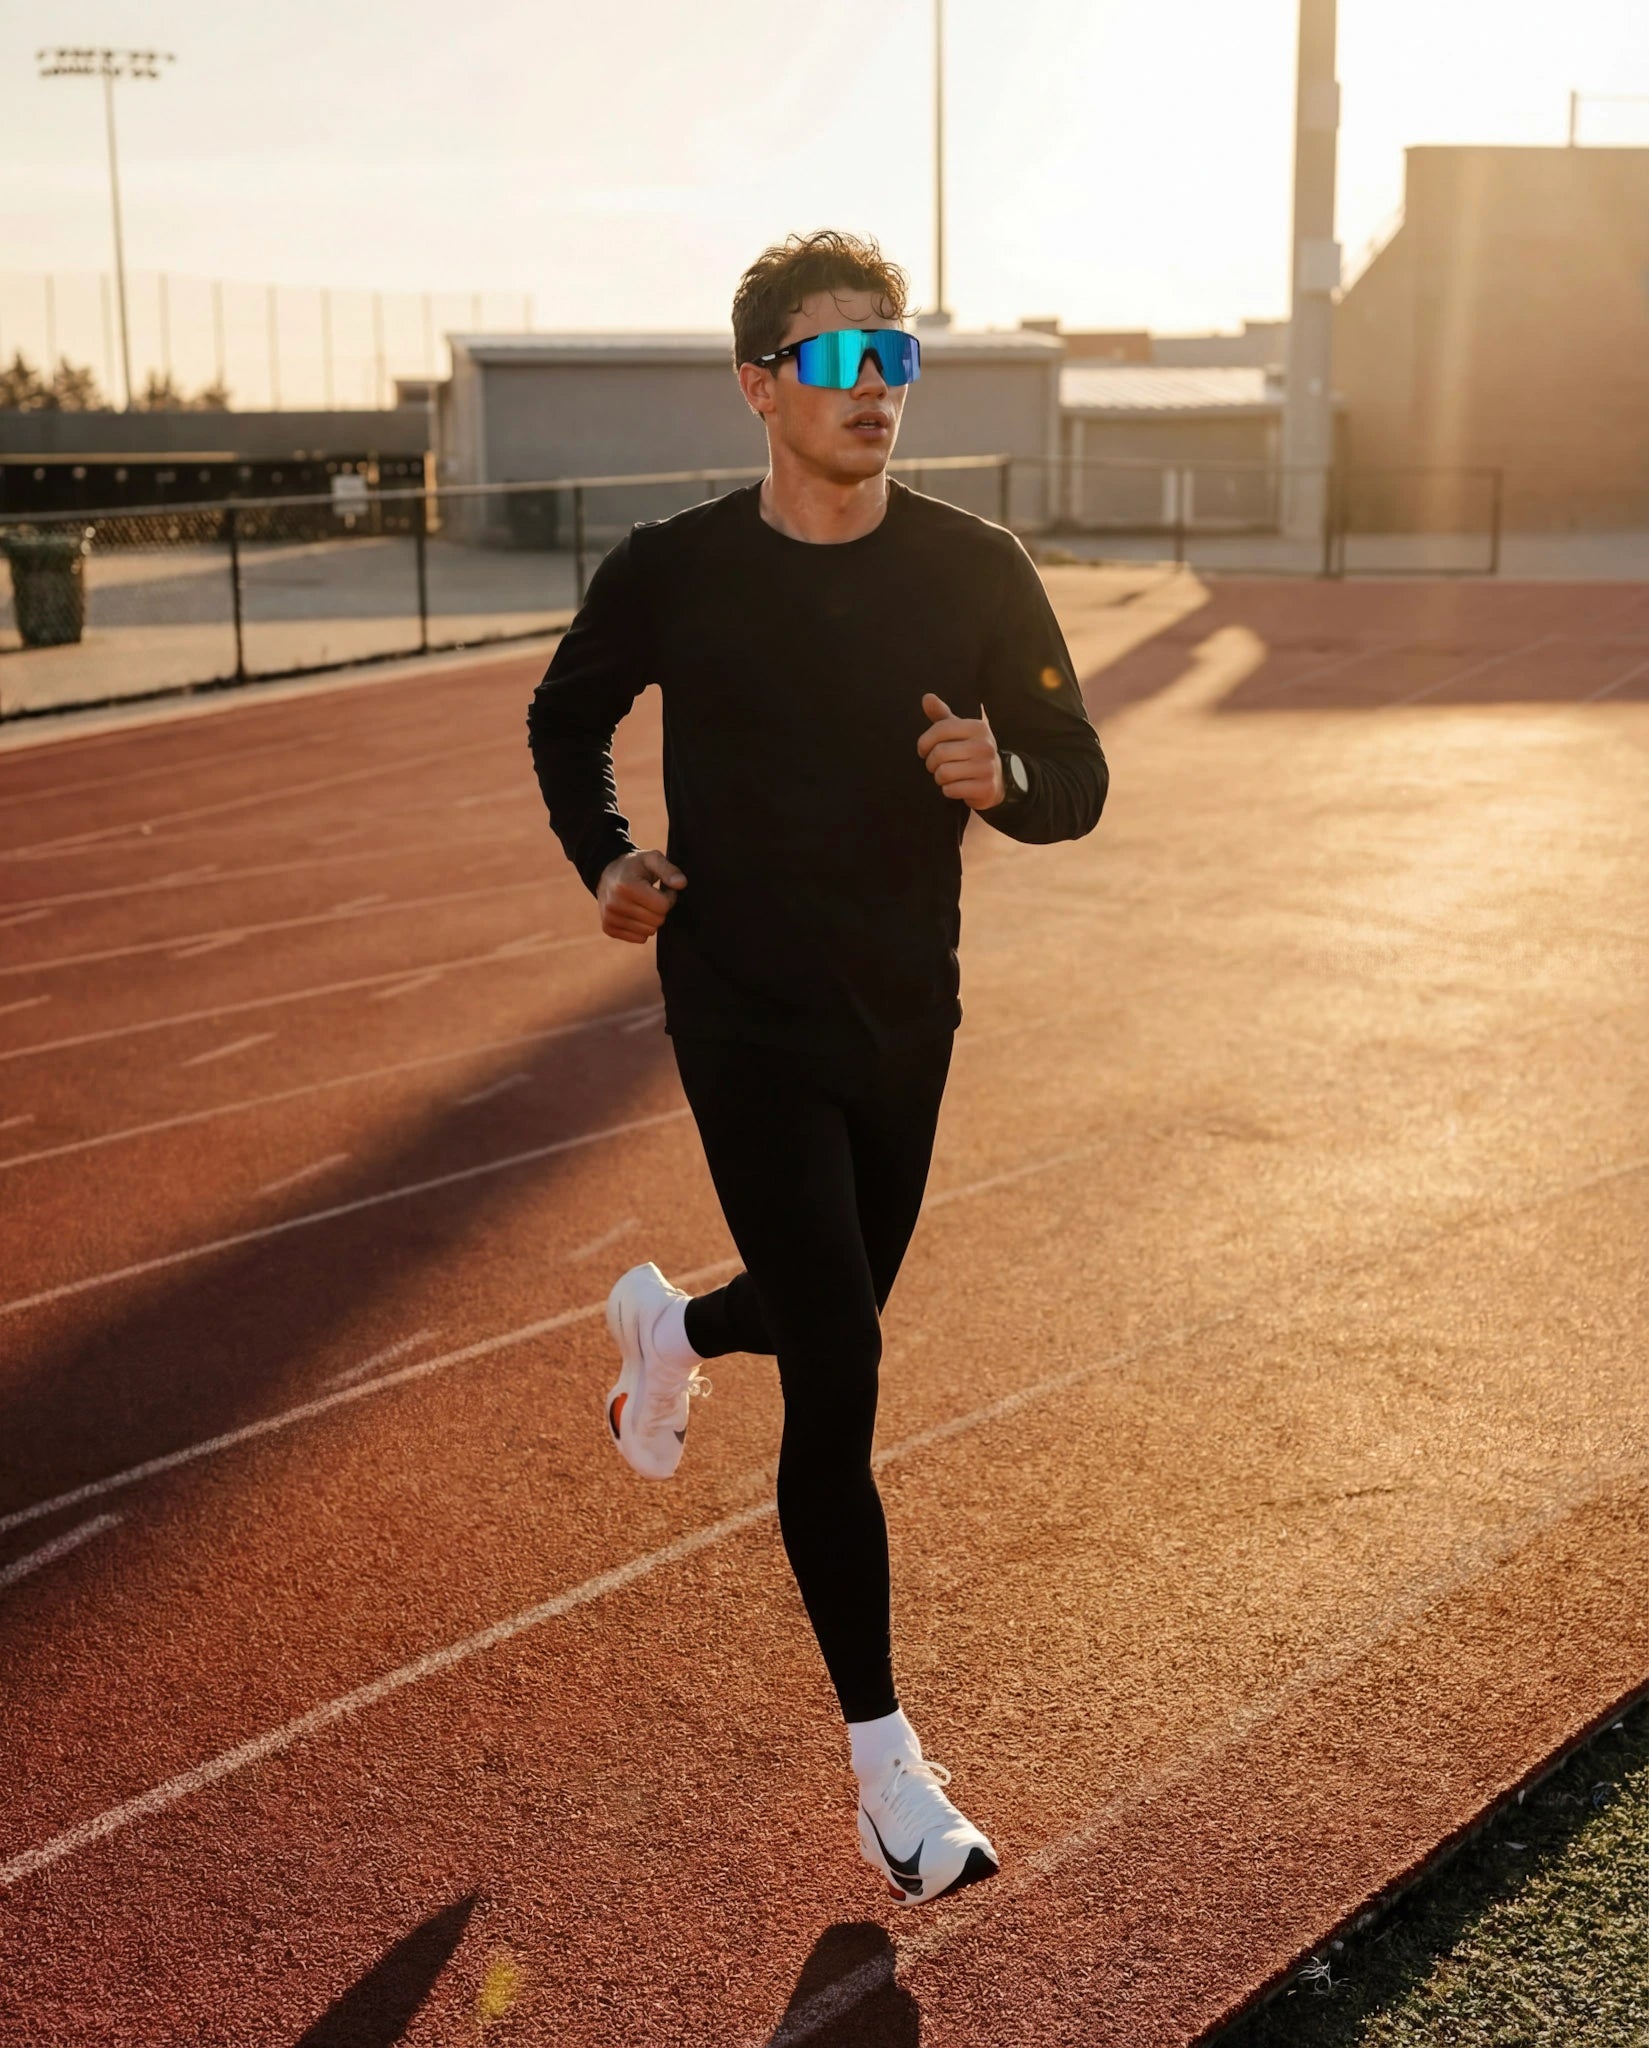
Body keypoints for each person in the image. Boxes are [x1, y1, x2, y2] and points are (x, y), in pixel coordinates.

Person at [526, 228, 1108, 1907]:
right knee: (842, 1361)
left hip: (899, 1011)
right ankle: (886, 1772)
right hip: (739, 1008)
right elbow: (567, 715)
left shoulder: (977, 568)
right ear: (761, 385)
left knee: (827, 1298)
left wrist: (1001, 768)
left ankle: (671, 1322)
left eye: (898, 356)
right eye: (843, 359)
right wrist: (608, 857)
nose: (880, 390)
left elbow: (1076, 771)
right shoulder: (675, 566)